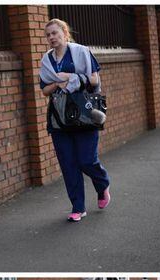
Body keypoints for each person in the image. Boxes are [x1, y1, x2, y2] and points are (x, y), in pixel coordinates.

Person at [40, 18, 111, 222]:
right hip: (59, 117)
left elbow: (94, 80)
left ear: (64, 33)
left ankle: (102, 184)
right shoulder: (47, 60)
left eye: (54, 33)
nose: (51, 37)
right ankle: (78, 207)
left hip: (84, 113)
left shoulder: (81, 52)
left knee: (87, 160)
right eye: (48, 35)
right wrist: (57, 82)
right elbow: (45, 90)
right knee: (68, 165)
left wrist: (71, 77)